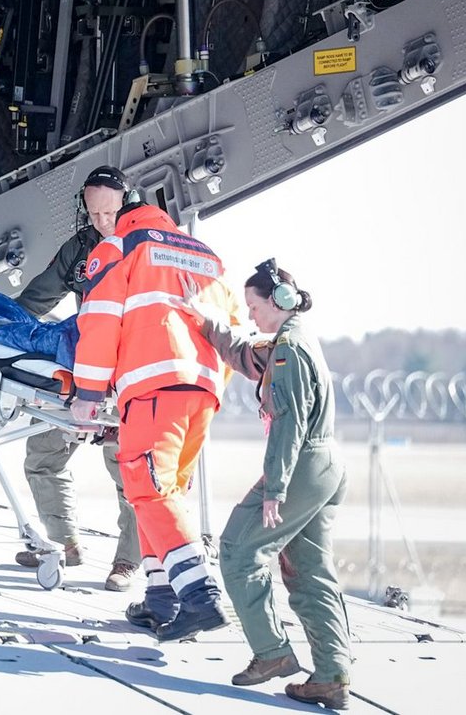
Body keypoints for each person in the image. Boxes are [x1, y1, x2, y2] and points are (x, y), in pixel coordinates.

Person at [182, 261, 352, 708]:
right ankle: (332, 677)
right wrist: (203, 317)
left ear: (279, 302)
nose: (251, 315)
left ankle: (272, 652)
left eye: (255, 306)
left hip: (301, 467)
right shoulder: (291, 340)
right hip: (325, 466)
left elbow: (288, 423)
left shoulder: (288, 351)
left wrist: (276, 488)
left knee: (238, 550)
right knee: (310, 573)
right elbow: (243, 351)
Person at [69, 194, 237, 642]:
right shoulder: (206, 255)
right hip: (202, 389)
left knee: (147, 488)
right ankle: (162, 599)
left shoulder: (121, 244)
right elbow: (231, 326)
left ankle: (200, 596)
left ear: (122, 215)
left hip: (152, 382)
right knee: (167, 493)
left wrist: (87, 393)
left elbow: (101, 320)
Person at [12, 167, 141, 592]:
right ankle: (62, 543)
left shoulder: (147, 243)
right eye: (94, 213)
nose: (103, 222)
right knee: (43, 454)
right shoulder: (81, 248)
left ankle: (127, 561)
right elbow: (35, 298)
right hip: (84, 363)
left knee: (131, 472)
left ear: (128, 201)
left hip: (132, 370)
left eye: (110, 212)